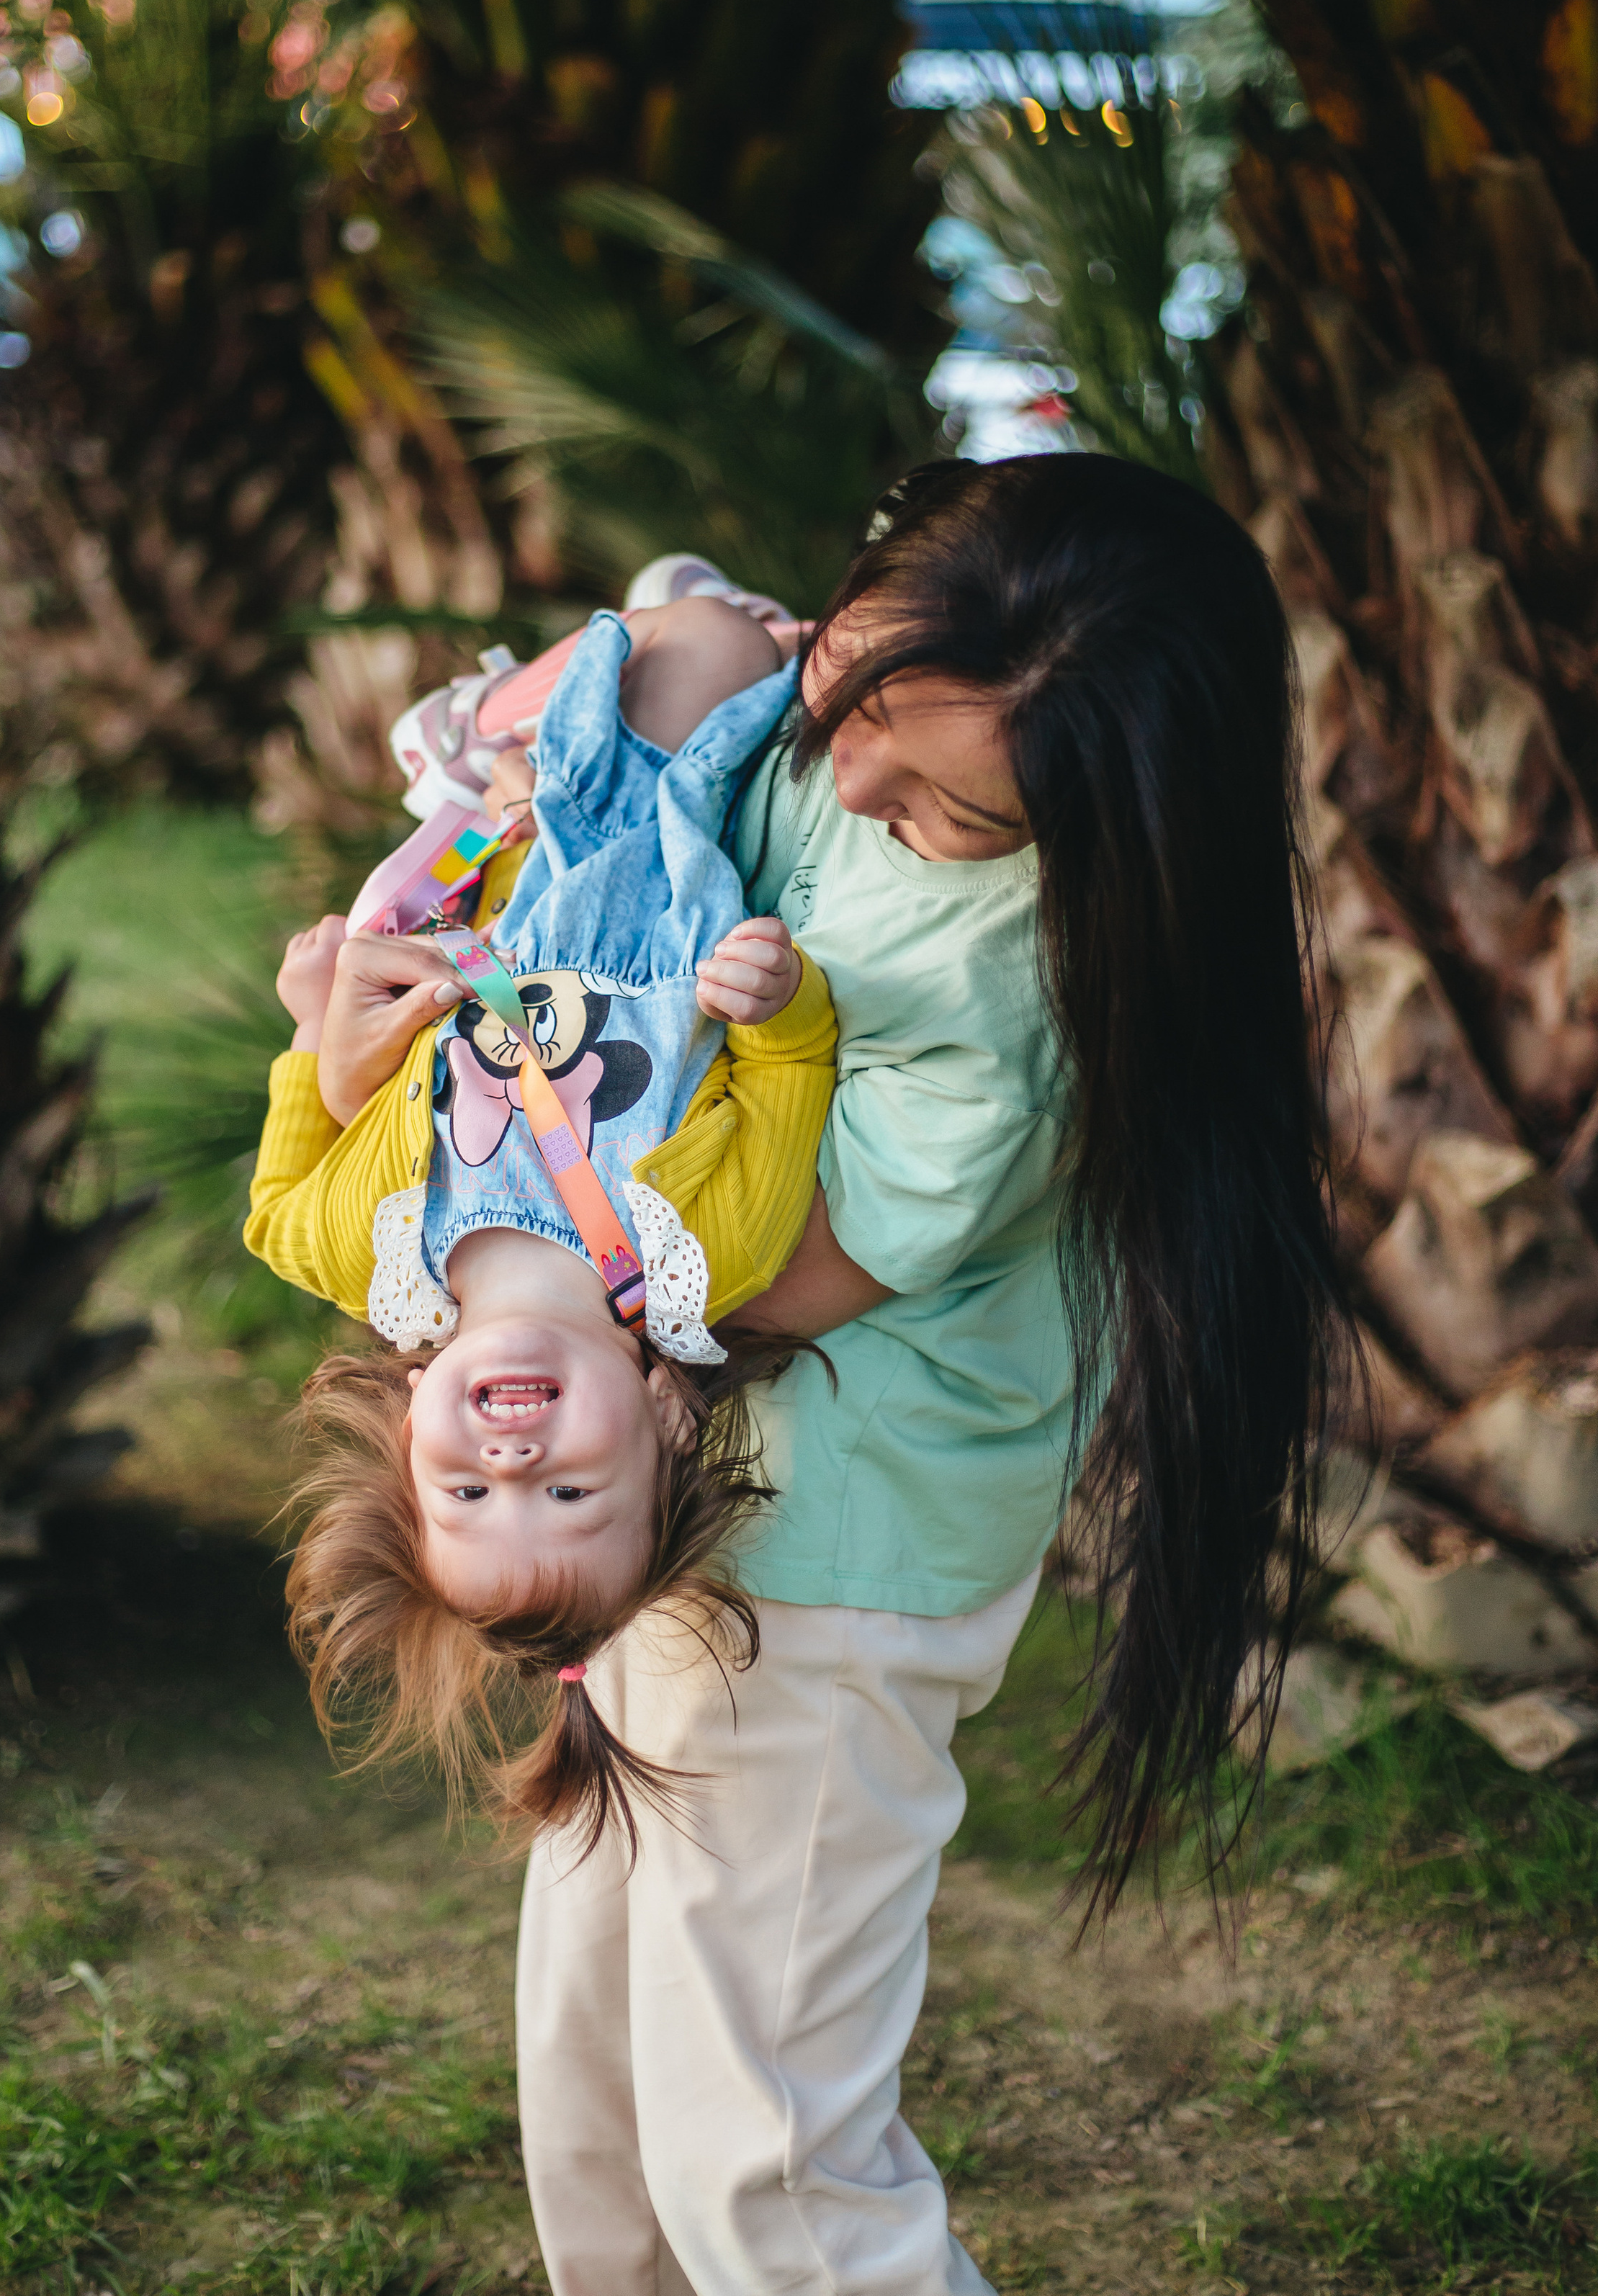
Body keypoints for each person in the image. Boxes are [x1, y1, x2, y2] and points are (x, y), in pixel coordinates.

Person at [310, 455, 1350, 2296]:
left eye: (948, 809)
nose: (853, 792)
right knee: (597, 2076)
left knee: (767, 2148)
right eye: (854, 707)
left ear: (1103, 829)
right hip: (672, 1518)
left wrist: (424, 1177)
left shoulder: (1019, 1003)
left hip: (827, 1565)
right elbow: (651, 663)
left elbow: (730, 1284)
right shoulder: (812, 714)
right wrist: (622, 684)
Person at [246, 598, 838, 1853]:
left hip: (507, 856)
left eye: (465, 1491)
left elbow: (274, 1212)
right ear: (671, 1425)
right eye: (572, 1491)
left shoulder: (371, 1257)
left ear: (411, 1439)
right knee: (712, 649)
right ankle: (743, 647)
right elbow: (788, 1089)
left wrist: (312, 1032)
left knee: (647, 646)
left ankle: (475, 731)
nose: (511, 1466)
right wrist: (777, 1004)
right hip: (664, 847)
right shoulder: (708, 1256)